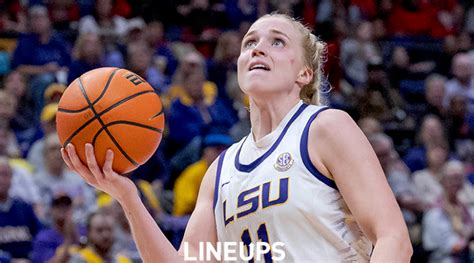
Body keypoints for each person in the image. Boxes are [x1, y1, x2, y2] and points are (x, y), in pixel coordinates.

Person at [62, 13, 412, 262]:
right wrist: (128, 198)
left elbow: (393, 239)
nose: (258, 48)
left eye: (277, 41)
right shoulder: (221, 171)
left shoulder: (324, 128)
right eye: (250, 43)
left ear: (304, 73)